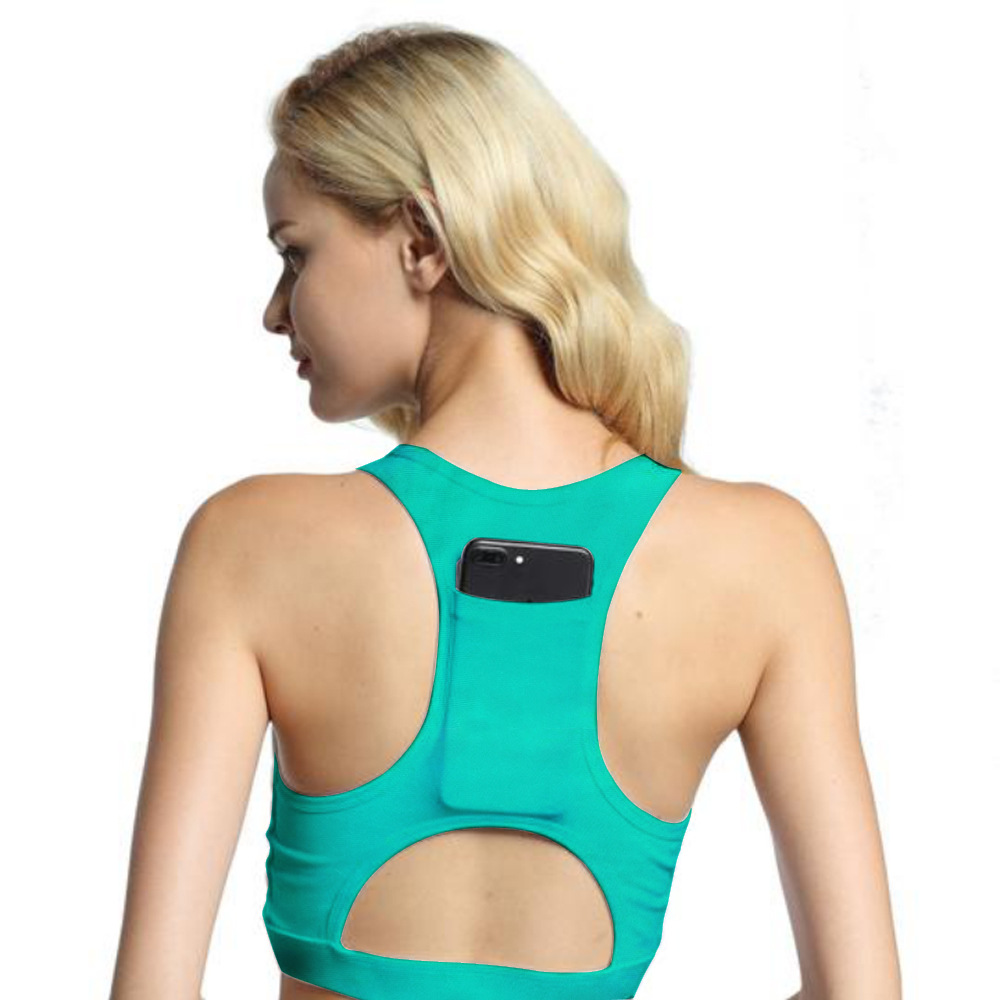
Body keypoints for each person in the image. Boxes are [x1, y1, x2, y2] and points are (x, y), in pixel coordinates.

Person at [109, 22, 902, 1000]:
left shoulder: (251, 544)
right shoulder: (764, 557)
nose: (277, 310)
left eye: (294, 253)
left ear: (421, 242)